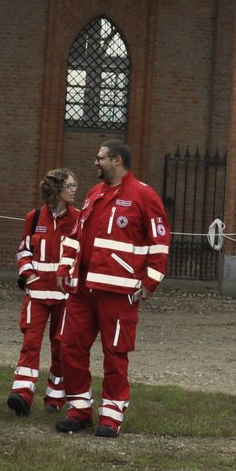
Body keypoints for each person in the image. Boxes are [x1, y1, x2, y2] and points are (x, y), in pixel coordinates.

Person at [55, 140, 171, 439]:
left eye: (101, 158)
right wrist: (64, 267)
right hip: (82, 289)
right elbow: (75, 235)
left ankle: (111, 416)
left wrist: (150, 282)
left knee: (115, 354)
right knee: (70, 346)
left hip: (118, 292)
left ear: (117, 161)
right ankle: (79, 409)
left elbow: (160, 244)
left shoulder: (143, 196)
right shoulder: (95, 194)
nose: (96, 163)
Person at [6, 168, 81, 416]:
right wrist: (28, 275)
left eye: (74, 186)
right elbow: (24, 250)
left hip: (64, 296)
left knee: (61, 346)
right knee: (30, 343)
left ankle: (55, 397)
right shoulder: (35, 217)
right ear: (57, 188)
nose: (74, 190)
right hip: (36, 295)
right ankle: (21, 395)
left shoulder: (79, 219)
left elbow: (79, 256)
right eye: (69, 185)